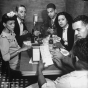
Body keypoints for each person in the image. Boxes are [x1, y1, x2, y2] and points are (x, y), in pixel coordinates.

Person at [0, 11, 31, 80]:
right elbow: (5, 58)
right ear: (4, 24)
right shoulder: (4, 38)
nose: (13, 25)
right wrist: (20, 50)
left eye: (14, 23)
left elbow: (16, 45)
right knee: (33, 73)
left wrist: (25, 48)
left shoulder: (11, 31)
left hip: (19, 59)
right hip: (14, 66)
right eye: (10, 24)